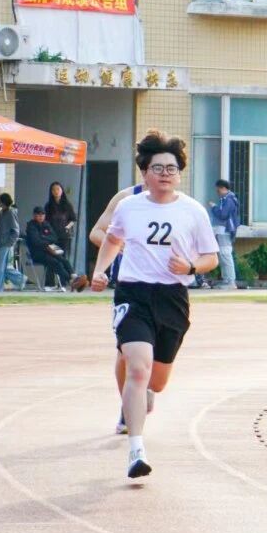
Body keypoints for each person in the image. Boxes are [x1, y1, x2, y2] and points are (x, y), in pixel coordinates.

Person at [90, 129, 219, 479]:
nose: (165, 173)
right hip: (133, 293)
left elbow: (210, 257)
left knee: (156, 381)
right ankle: (136, 450)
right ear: (145, 172)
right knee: (137, 368)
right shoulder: (128, 206)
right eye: (158, 168)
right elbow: (111, 240)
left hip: (172, 297)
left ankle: (145, 393)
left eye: (171, 168)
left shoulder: (193, 211)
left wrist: (189, 267)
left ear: (180, 173)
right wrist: (101, 271)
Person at [89, 182, 145, 434]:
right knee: (125, 351)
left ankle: (144, 389)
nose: (162, 173)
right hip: (129, 286)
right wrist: (121, 244)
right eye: (153, 167)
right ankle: (127, 407)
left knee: (156, 361)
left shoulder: (178, 203)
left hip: (165, 289)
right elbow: (97, 232)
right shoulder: (125, 199)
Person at [25, 207, 88, 292]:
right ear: (34, 215)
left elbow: (54, 237)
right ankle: (71, 281)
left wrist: (43, 238)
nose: (41, 217)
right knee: (56, 263)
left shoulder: (46, 224)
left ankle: (75, 277)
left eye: (42, 215)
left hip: (49, 250)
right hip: (37, 253)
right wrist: (46, 240)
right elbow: (36, 241)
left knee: (64, 260)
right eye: (38, 215)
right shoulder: (31, 226)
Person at [209, 179, 240, 290]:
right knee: (223, 254)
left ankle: (230, 281)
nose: (217, 193)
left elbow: (223, 215)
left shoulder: (229, 199)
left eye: (218, 190)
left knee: (225, 254)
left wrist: (214, 207)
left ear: (223, 188)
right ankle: (227, 280)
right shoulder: (228, 199)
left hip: (225, 230)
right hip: (225, 230)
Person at [0, 193, 25, 292]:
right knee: (4, 266)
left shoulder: (10, 213)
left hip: (6, 244)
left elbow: (16, 230)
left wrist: (10, 242)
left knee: (0, 266)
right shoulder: (2, 212)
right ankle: (20, 280)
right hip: (1, 243)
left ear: (3, 202)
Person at [45, 182, 78, 254]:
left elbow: (73, 219)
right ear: (51, 192)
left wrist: (67, 227)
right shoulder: (48, 206)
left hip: (64, 236)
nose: (56, 191)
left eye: (58, 189)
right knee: (54, 255)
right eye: (53, 190)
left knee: (63, 255)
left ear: (62, 190)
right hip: (52, 236)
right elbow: (46, 221)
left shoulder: (67, 205)